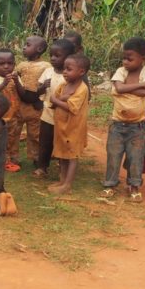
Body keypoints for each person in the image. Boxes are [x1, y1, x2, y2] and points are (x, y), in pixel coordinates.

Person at [101, 36, 145, 202]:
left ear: (143, 59)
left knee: (136, 158)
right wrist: (139, 86)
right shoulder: (120, 72)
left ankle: (134, 186)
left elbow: (144, 93)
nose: (125, 61)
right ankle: (110, 184)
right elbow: (119, 87)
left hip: (137, 127)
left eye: (129, 59)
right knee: (113, 155)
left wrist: (126, 89)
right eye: (124, 58)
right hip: (117, 124)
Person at [48, 53, 91, 195]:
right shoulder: (63, 85)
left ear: (81, 72)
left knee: (72, 155)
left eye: (69, 69)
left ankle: (67, 184)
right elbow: (54, 98)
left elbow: (72, 107)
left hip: (74, 128)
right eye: (64, 68)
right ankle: (62, 180)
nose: (65, 72)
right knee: (62, 153)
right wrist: (61, 99)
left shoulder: (82, 88)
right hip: (61, 126)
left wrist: (58, 100)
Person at [35, 38, 77, 178]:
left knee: (63, 143)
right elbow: (38, 91)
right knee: (45, 142)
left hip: (64, 117)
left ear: (69, 58)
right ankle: (42, 167)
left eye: (57, 56)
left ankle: (62, 168)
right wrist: (42, 87)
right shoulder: (48, 72)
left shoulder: (70, 76)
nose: (53, 58)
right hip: (47, 114)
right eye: (51, 55)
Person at [12, 35, 50, 172]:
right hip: (19, 104)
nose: (24, 47)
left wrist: (41, 100)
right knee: (14, 132)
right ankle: (13, 156)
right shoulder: (21, 65)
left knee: (35, 133)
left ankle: (36, 157)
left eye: (28, 45)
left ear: (39, 49)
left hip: (35, 106)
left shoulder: (46, 66)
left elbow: (48, 86)